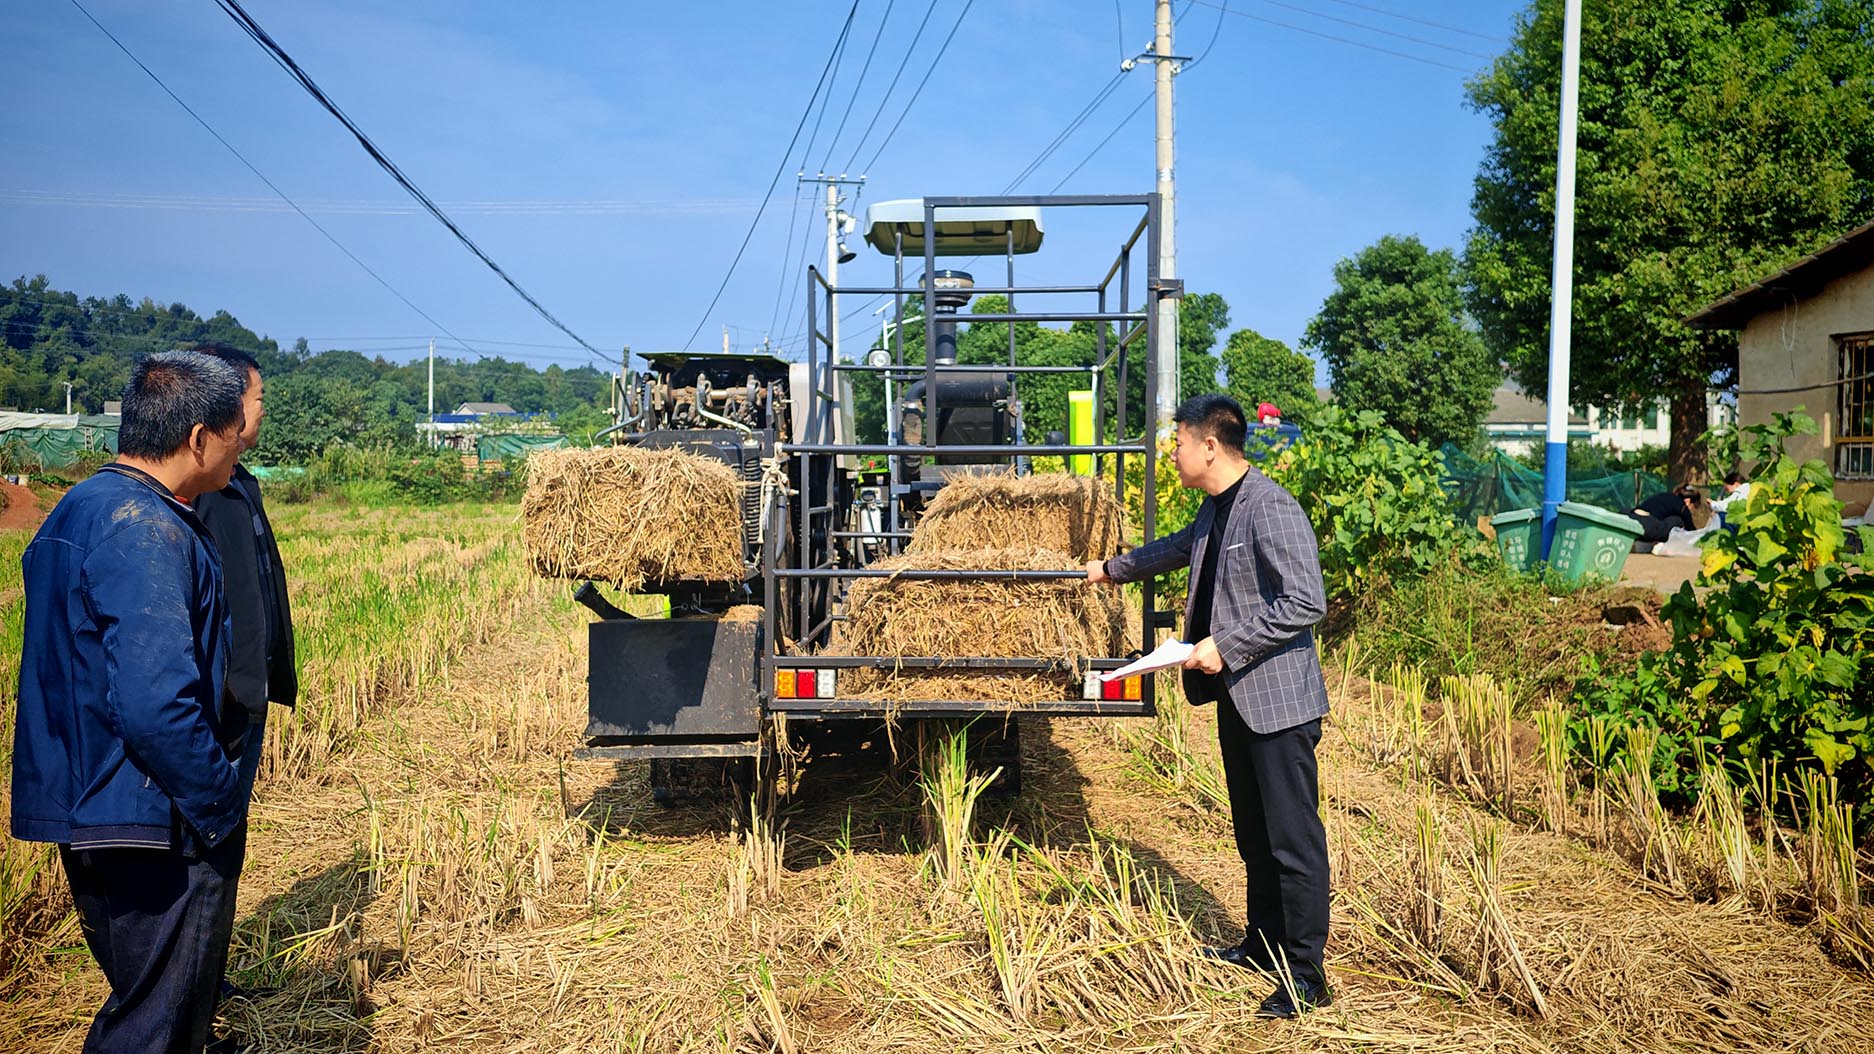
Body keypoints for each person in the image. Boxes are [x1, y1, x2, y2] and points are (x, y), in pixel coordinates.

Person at [10, 350, 251, 1054]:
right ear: (200, 438)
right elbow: (156, 705)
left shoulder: (78, 507)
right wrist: (219, 808)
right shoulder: (146, 530)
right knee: (153, 1026)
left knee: (145, 1001)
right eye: (235, 434)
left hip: (86, 806)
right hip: (145, 817)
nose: (241, 449)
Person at [1085, 393, 1332, 1018]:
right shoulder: (1216, 508)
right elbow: (1176, 548)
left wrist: (1227, 645)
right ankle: (1263, 942)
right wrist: (1111, 570)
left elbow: (1307, 601)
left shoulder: (1270, 507)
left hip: (1276, 701)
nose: (1172, 452)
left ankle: (1306, 974)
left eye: (1178, 442)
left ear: (1210, 446)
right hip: (1239, 698)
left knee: (1292, 840)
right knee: (1253, 834)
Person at [190, 343, 297, 1011]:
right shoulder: (195, 494)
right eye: (259, 398)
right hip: (216, 704)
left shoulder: (239, 482)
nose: (263, 409)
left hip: (244, 694)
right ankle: (187, 993)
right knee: (204, 851)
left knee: (224, 849)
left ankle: (204, 980)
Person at [1627, 485, 1701, 543]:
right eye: (1693, 506)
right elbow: (1691, 529)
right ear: (1688, 501)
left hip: (1631, 516)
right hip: (1646, 526)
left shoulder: (1666, 495)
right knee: (1678, 520)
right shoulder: (1682, 506)